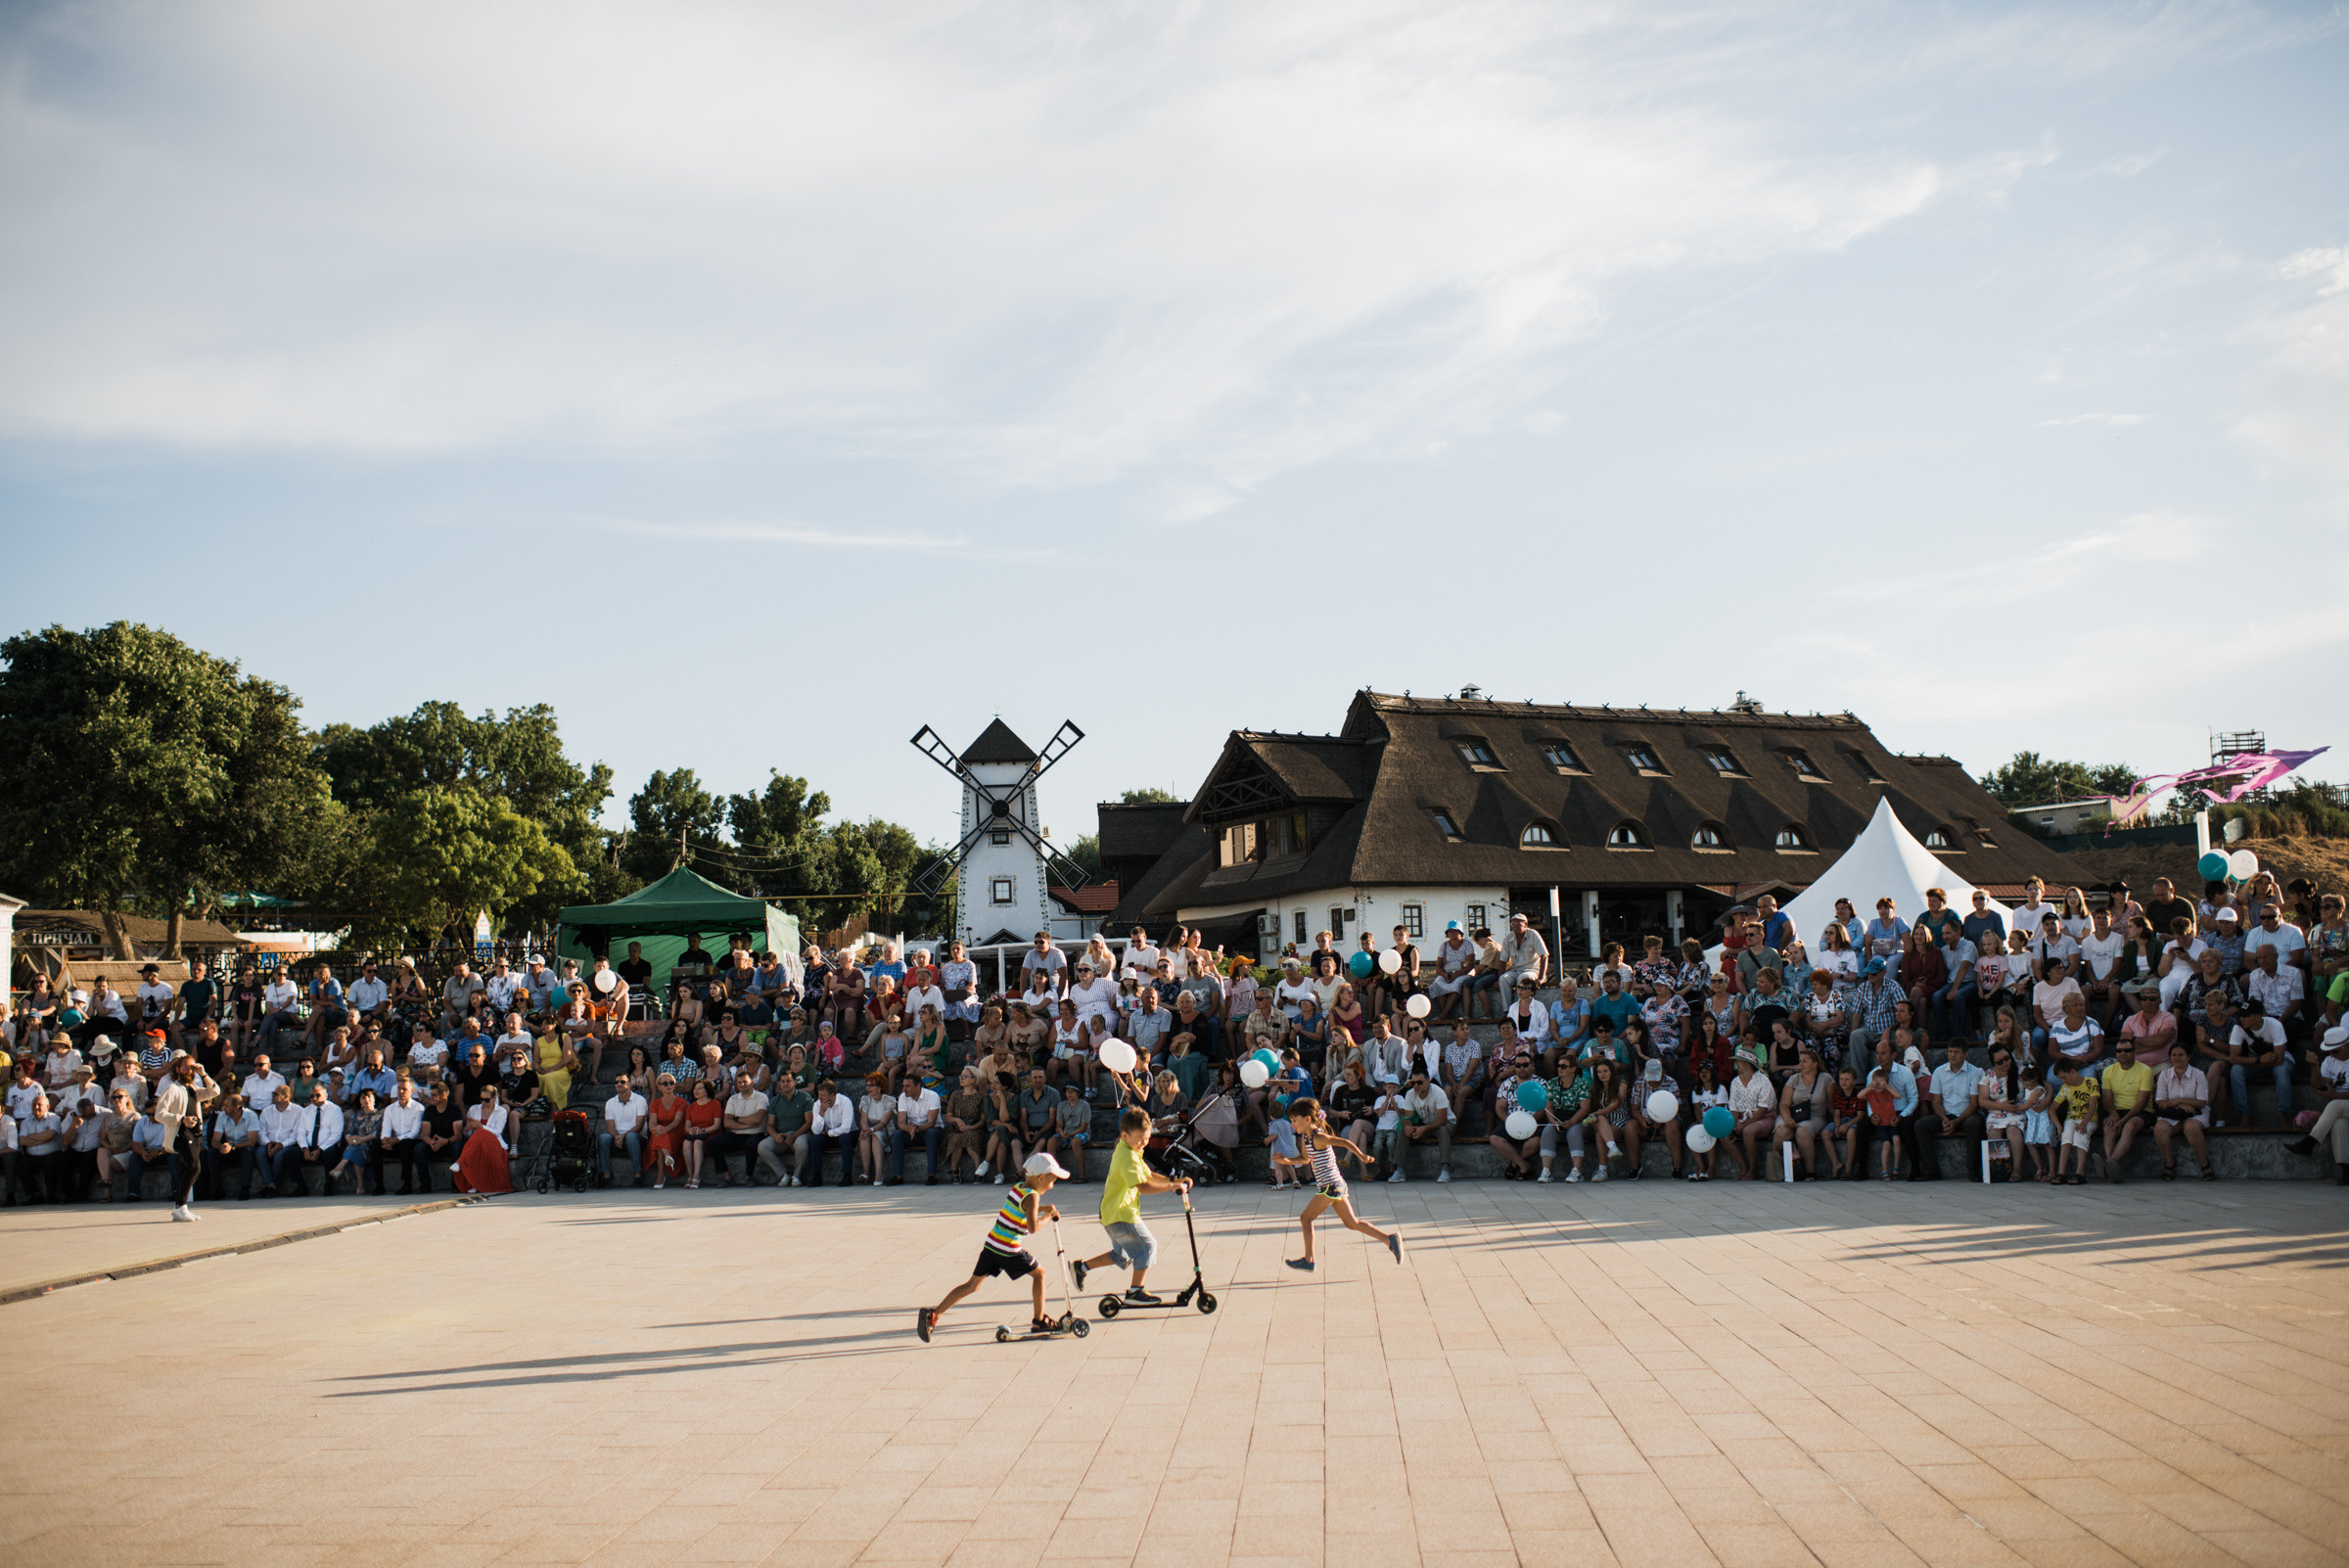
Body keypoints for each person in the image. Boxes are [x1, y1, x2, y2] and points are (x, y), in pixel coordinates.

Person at [917, 1151, 1069, 1343]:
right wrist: (1047, 1216)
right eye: (1052, 1180)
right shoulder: (1033, 1197)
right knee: (1040, 1274)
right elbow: (1032, 1227)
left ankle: (934, 1315)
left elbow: (1023, 1206)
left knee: (972, 1285)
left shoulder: (1019, 1188)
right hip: (1008, 1250)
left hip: (992, 1245)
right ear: (1041, 1177)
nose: (1052, 1185)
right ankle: (1039, 1321)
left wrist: (1043, 1208)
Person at [1071, 1108, 1194, 1304]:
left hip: (1113, 1212)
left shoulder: (1132, 1150)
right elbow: (1142, 1186)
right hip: (1121, 1214)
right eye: (1140, 1139)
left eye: (1146, 1139)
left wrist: (1174, 1181)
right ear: (1124, 1135)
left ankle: (1081, 1268)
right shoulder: (1126, 1156)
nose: (1144, 1143)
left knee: (1123, 1254)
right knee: (1147, 1248)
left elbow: (1148, 1175)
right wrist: (1171, 1187)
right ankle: (1135, 1292)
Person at [1275, 1098, 1403, 1270]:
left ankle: (1308, 1259)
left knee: (1305, 1218)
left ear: (1307, 1119)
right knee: (1352, 1223)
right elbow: (1305, 1159)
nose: (1292, 1125)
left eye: (1294, 1120)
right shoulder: (1306, 1137)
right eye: (1291, 1121)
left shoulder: (1318, 1136)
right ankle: (1390, 1240)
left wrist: (1362, 1156)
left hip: (1331, 1186)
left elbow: (1344, 1142)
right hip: (1334, 1186)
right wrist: (1286, 1160)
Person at [2097, 1039, 2156, 1182]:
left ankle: (2109, 1162)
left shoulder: (2145, 1070)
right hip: (2118, 1110)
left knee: (2129, 1126)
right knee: (2109, 1126)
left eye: (2127, 1050)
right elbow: (2106, 1100)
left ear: (2134, 1052)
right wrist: (2113, 1114)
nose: (2123, 1053)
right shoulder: (2108, 1071)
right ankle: (2111, 1164)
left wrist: (2123, 1121)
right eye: (2119, 1051)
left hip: (2141, 1112)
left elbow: (2142, 1102)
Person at [2051, 1058, 2099, 1184]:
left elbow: (2092, 1105)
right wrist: (2059, 1126)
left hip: (2089, 1119)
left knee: (2080, 1136)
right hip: (2071, 1119)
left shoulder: (2091, 1082)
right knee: (2066, 1137)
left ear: (2073, 1071)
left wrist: (2084, 1122)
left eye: (2064, 1077)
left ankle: (2080, 1173)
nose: (2063, 1081)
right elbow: (2052, 1109)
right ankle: (2061, 1173)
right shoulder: (2065, 1088)